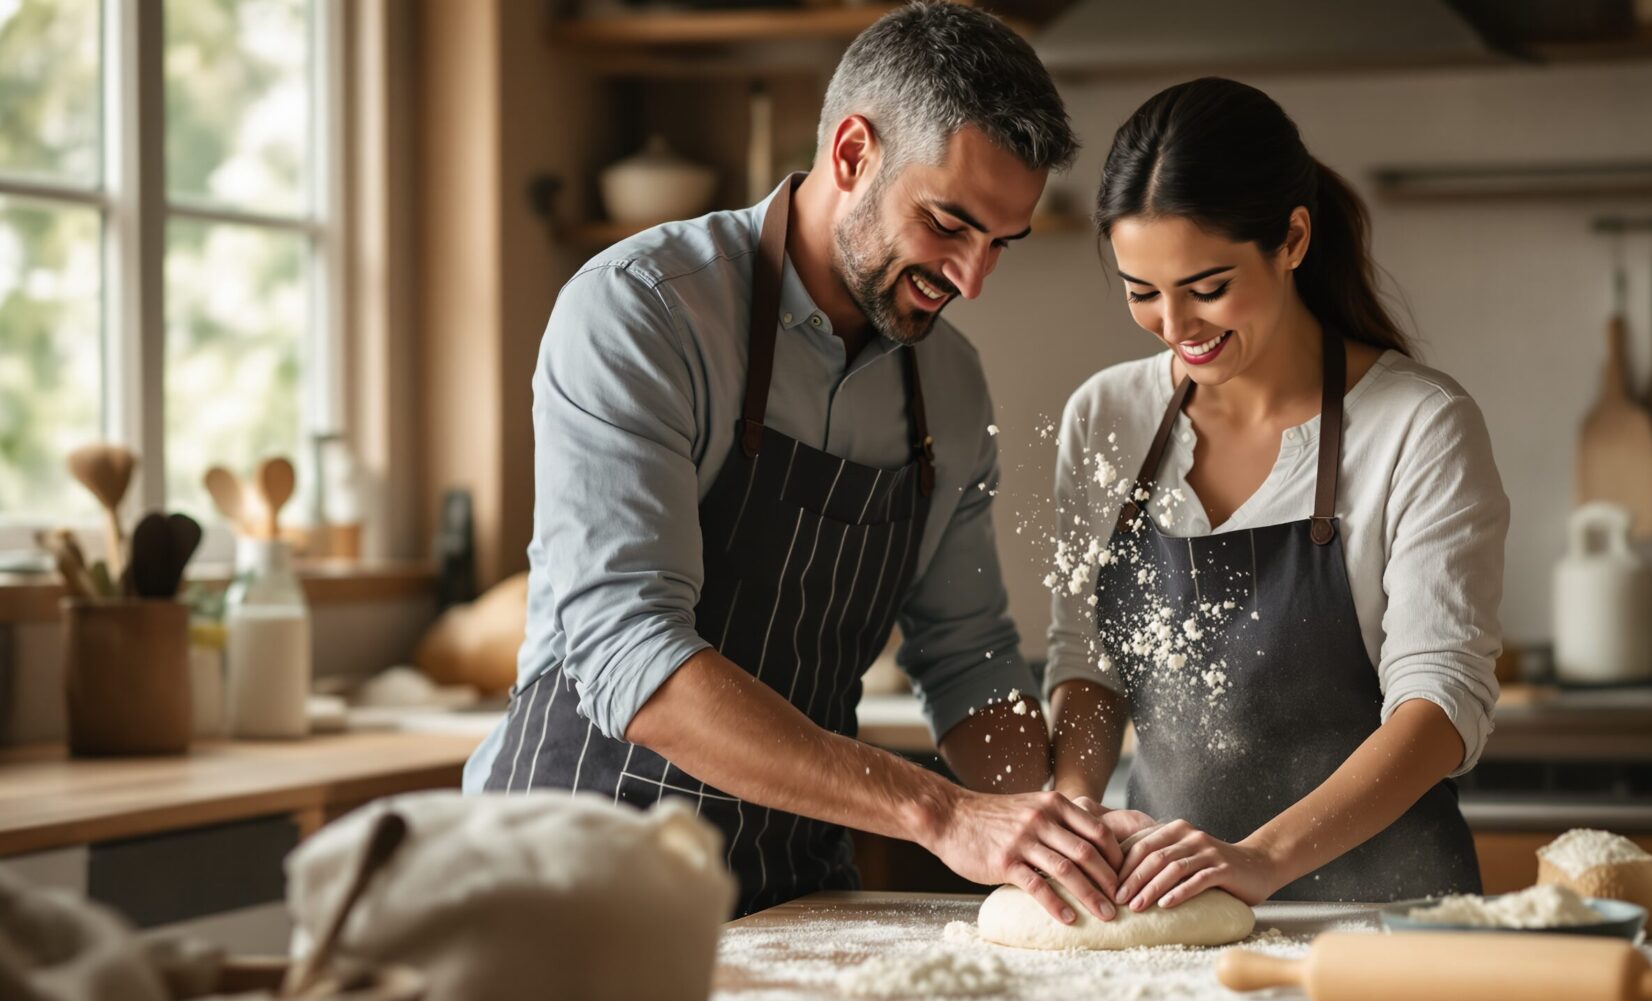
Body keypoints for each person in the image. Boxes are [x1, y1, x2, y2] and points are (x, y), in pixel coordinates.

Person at [464, 1, 1124, 925]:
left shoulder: (952, 387)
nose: (972, 279)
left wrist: (1054, 830)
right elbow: (630, 652)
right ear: (852, 154)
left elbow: (967, 654)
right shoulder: (642, 314)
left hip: (789, 891)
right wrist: (941, 811)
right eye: (948, 223)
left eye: (999, 246)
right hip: (569, 881)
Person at [1046, 78, 1509, 912]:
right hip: (1166, 921)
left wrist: (1259, 859)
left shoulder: (1417, 425)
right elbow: (1089, 666)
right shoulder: (1106, 416)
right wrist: (1076, 817)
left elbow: (1441, 703)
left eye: (1207, 285)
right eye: (1141, 291)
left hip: (1386, 923)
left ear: (1292, 238)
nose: (1174, 324)